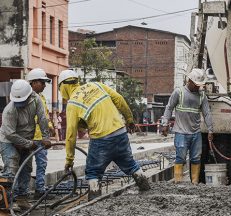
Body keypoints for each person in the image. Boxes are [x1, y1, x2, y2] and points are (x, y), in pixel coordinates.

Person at [58, 69, 150, 200]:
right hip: (120, 132)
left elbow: (71, 135)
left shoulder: (72, 104)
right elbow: (119, 99)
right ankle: (147, 190)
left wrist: (69, 160)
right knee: (130, 164)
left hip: (101, 139)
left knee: (93, 172)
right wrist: (129, 120)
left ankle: (94, 203)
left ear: (63, 87)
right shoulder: (96, 85)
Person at [0, 80, 51, 210]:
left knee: (26, 169)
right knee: (12, 167)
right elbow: (10, 134)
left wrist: (45, 137)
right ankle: (8, 201)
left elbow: (42, 118)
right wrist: (29, 143)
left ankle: (22, 198)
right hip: (9, 141)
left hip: (26, 138)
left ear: (29, 96)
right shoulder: (9, 110)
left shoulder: (35, 100)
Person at [162, 68, 214, 184]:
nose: (198, 87)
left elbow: (207, 113)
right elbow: (169, 107)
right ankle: (178, 182)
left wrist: (210, 129)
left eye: (199, 85)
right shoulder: (179, 92)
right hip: (181, 132)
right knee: (180, 158)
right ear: (189, 80)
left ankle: (194, 183)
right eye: (196, 84)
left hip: (196, 133)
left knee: (196, 158)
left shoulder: (202, 96)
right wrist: (165, 123)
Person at [26, 68, 55, 199]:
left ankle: (40, 190)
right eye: (42, 82)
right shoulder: (27, 98)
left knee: (41, 165)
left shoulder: (41, 97)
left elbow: (45, 116)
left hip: (41, 138)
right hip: (30, 138)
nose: (44, 85)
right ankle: (22, 192)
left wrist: (50, 126)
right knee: (25, 166)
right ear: (33, 83)